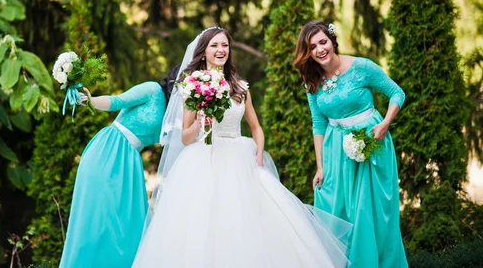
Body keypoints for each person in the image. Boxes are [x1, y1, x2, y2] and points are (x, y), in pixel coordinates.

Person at [133, 27, 351, 268]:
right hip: (202, 162)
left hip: (240, 159)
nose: (220, 50)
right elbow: (185, 137)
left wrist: (258, 155)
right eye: (214, 45)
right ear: (203, 52)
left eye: (225, 45)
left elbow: (256, 127)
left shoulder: (240, 87)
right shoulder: (192, 86)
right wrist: (199, 123)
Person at [294, 20, 408, 268]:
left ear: (332, 41)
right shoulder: (312, 80)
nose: (319, 49)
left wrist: (386, 122)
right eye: (312, 46)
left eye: (323, 42)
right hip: (336, 149)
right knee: (339, 210)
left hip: (372, 143)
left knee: (371, 212)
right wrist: (320, 166)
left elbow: (397, 93)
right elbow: (318, 123)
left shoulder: (362, 67)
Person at [58, 66, 179, 268]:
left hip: (130, 161)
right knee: (99, 216)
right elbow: (118, 101)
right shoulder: (152, 90)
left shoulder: (175, 115)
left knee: (130, 224)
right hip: (108, 150)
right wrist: (91, 100)